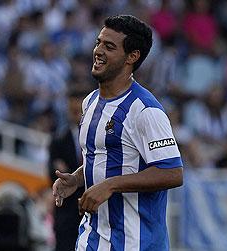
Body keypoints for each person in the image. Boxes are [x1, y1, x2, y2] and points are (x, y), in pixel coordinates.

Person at [52, 14, 183, 251]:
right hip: (91, 240)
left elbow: (172, 172)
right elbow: (105, 157)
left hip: (135, 244)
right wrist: (77, 178)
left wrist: (110, 185)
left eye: (109, 46)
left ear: (132, 57)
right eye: (98, 42)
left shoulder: (145, 110)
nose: (98, 51)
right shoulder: (90, 102)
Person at [47, 89, 87, 251]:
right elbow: (53, 174)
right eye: (72, 109)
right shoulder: (58, 140)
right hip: (66, 213)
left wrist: (70, 173)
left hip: (93, 208)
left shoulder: (98, 136)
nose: (75, 112)